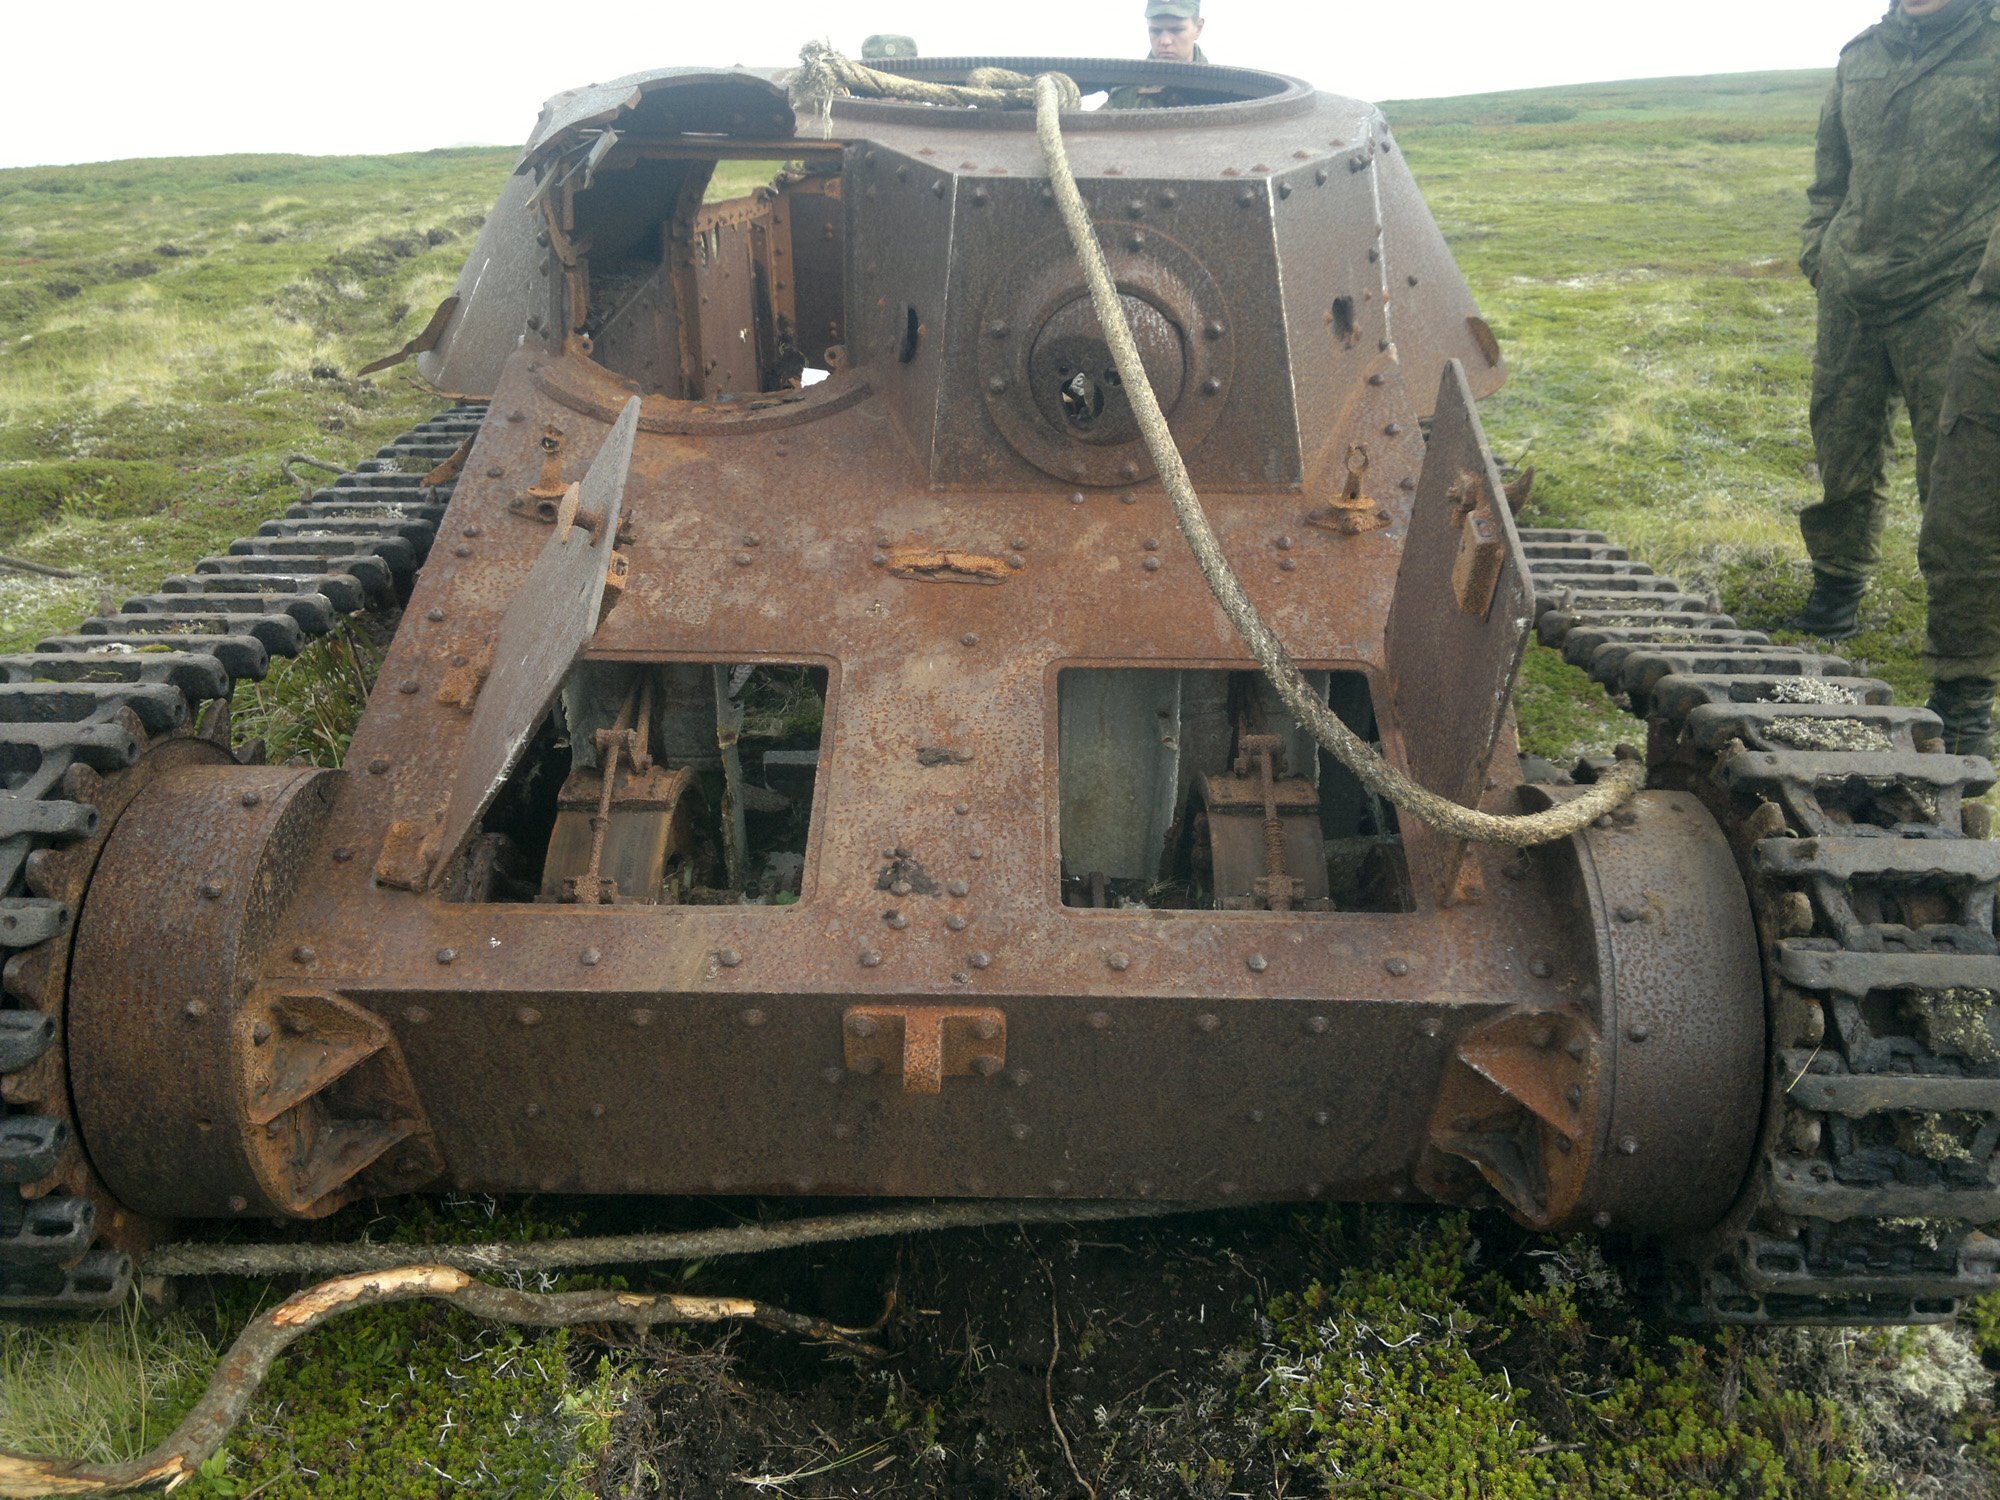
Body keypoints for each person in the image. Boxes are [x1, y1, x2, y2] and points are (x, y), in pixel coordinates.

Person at [1794, 0, 2000, 753]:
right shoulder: (1860, 56)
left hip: (1956, 301)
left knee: (1966, 495)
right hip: (1851, 289)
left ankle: (1964, 687)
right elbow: (1830, 174)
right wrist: (1822, 249)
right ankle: (1837, 587)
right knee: (1839, 445)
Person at [1106, 0, 1210, 111]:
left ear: (1198, 28)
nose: (1165, 41)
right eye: (1156, 31)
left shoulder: (1219, 91)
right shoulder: (1125, 95)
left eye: (1176, 30)